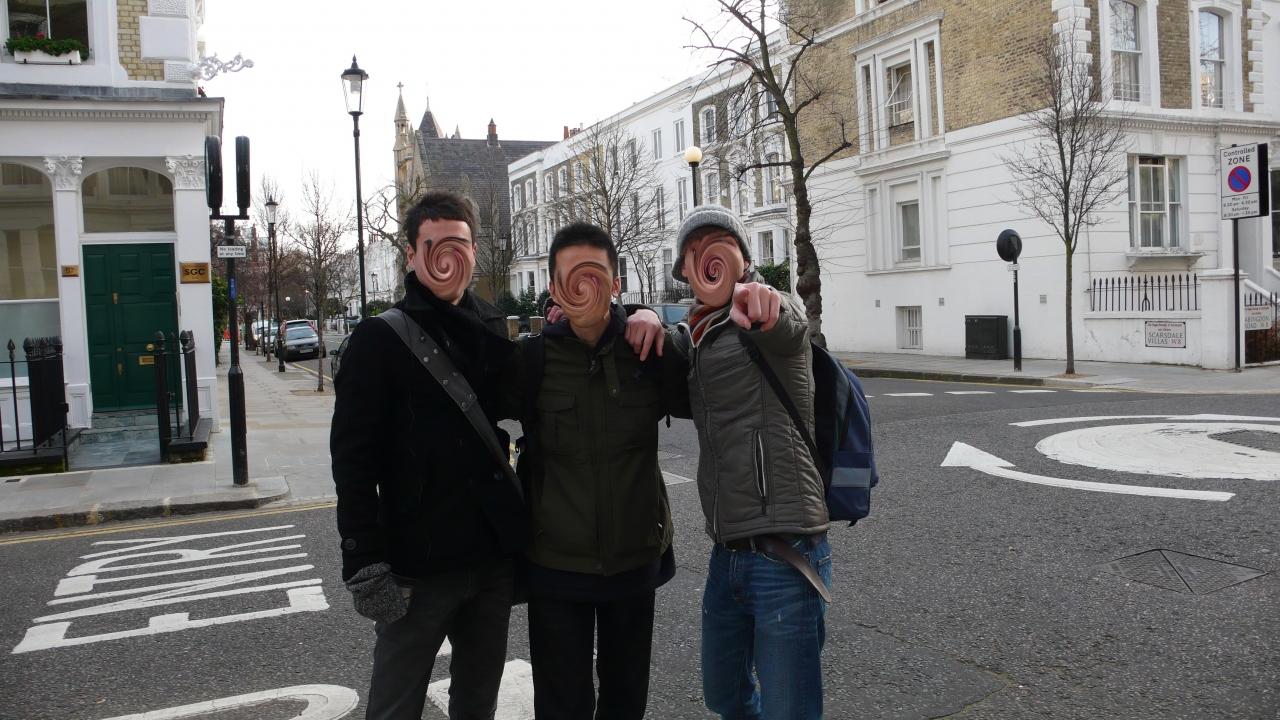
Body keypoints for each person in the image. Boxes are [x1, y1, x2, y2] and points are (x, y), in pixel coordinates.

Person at [331, 190, 527, 720]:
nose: (448, 256)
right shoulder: (378, 339)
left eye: (459, 243)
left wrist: (631, 318)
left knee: (477, 704)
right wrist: (364, 560)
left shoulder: (491, 324)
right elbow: (352, 460)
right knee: (394, 706)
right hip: (416, 567)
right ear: (412, 255)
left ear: (474, 250)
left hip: (489, 559)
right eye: (434, 244)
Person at [503, 222, 688, 720]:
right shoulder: (531, 361)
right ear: (554, 287)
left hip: (633, 561)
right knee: (562, 706)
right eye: (572, 276)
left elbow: (719, 373)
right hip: (555, 567)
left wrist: (651, 316)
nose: (585, 285)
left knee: (625, 702)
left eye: (597, 274)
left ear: (616, 283)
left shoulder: (649, 352)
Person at [669, 205, 832, 720]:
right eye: (694, 253)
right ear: (684, 271)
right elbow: (667, 348)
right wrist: (644, 315)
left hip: (786, 552)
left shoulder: (764, 311)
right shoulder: (698, 335)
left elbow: (787, 322)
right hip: (727, 553)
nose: (707, 259)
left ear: (742, 256)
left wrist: (766, 303)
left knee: (789, 710)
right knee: (724, 696)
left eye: (717, 245)